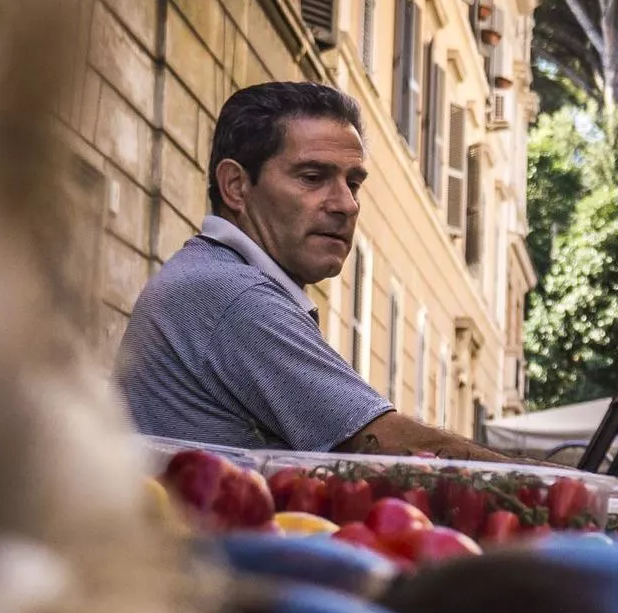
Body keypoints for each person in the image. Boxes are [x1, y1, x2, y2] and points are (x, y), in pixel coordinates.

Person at [116, 82, 506, 458]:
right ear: (235, 186)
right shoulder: (235, 296)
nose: (347, 205)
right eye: (313, 178)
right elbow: (379, 445)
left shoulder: (214, 276)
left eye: (353, 183)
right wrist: (554, 482)